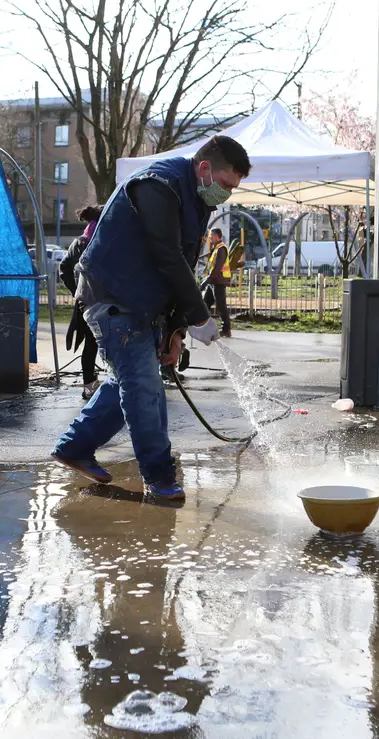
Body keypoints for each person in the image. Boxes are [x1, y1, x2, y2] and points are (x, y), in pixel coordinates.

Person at [51, 135, 252, 502]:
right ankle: (159, 478)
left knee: (129, 380)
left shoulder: (195, 198)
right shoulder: (158, 184)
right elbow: (167, 255)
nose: (226, 195)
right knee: (143, 386)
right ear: (204, 168)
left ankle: (74, 447)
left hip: (141, 301)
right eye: (225, 185)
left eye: (233, 189)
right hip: (111, 295)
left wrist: (175, 329)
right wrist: (198, 314)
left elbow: (184, 262)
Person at [59, 205, 102, 399]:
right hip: (106, 301)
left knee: (90, 344)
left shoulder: (80, 241)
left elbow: (64, 268)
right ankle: (118, 383)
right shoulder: (104, 239)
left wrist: (76, 291)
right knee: (112, 342)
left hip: (85, 302)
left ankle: (89, 384)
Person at [206, 227, 233, 337]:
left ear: (217, 236)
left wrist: (209, 278)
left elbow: (218, 267)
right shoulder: (216, 248)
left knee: (221, 305)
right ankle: (204, 327)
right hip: (213, 281)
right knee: (205, 304)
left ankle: (226, 329)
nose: (210, 238)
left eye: (211, 236)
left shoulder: (221, 248)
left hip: (219, 281)